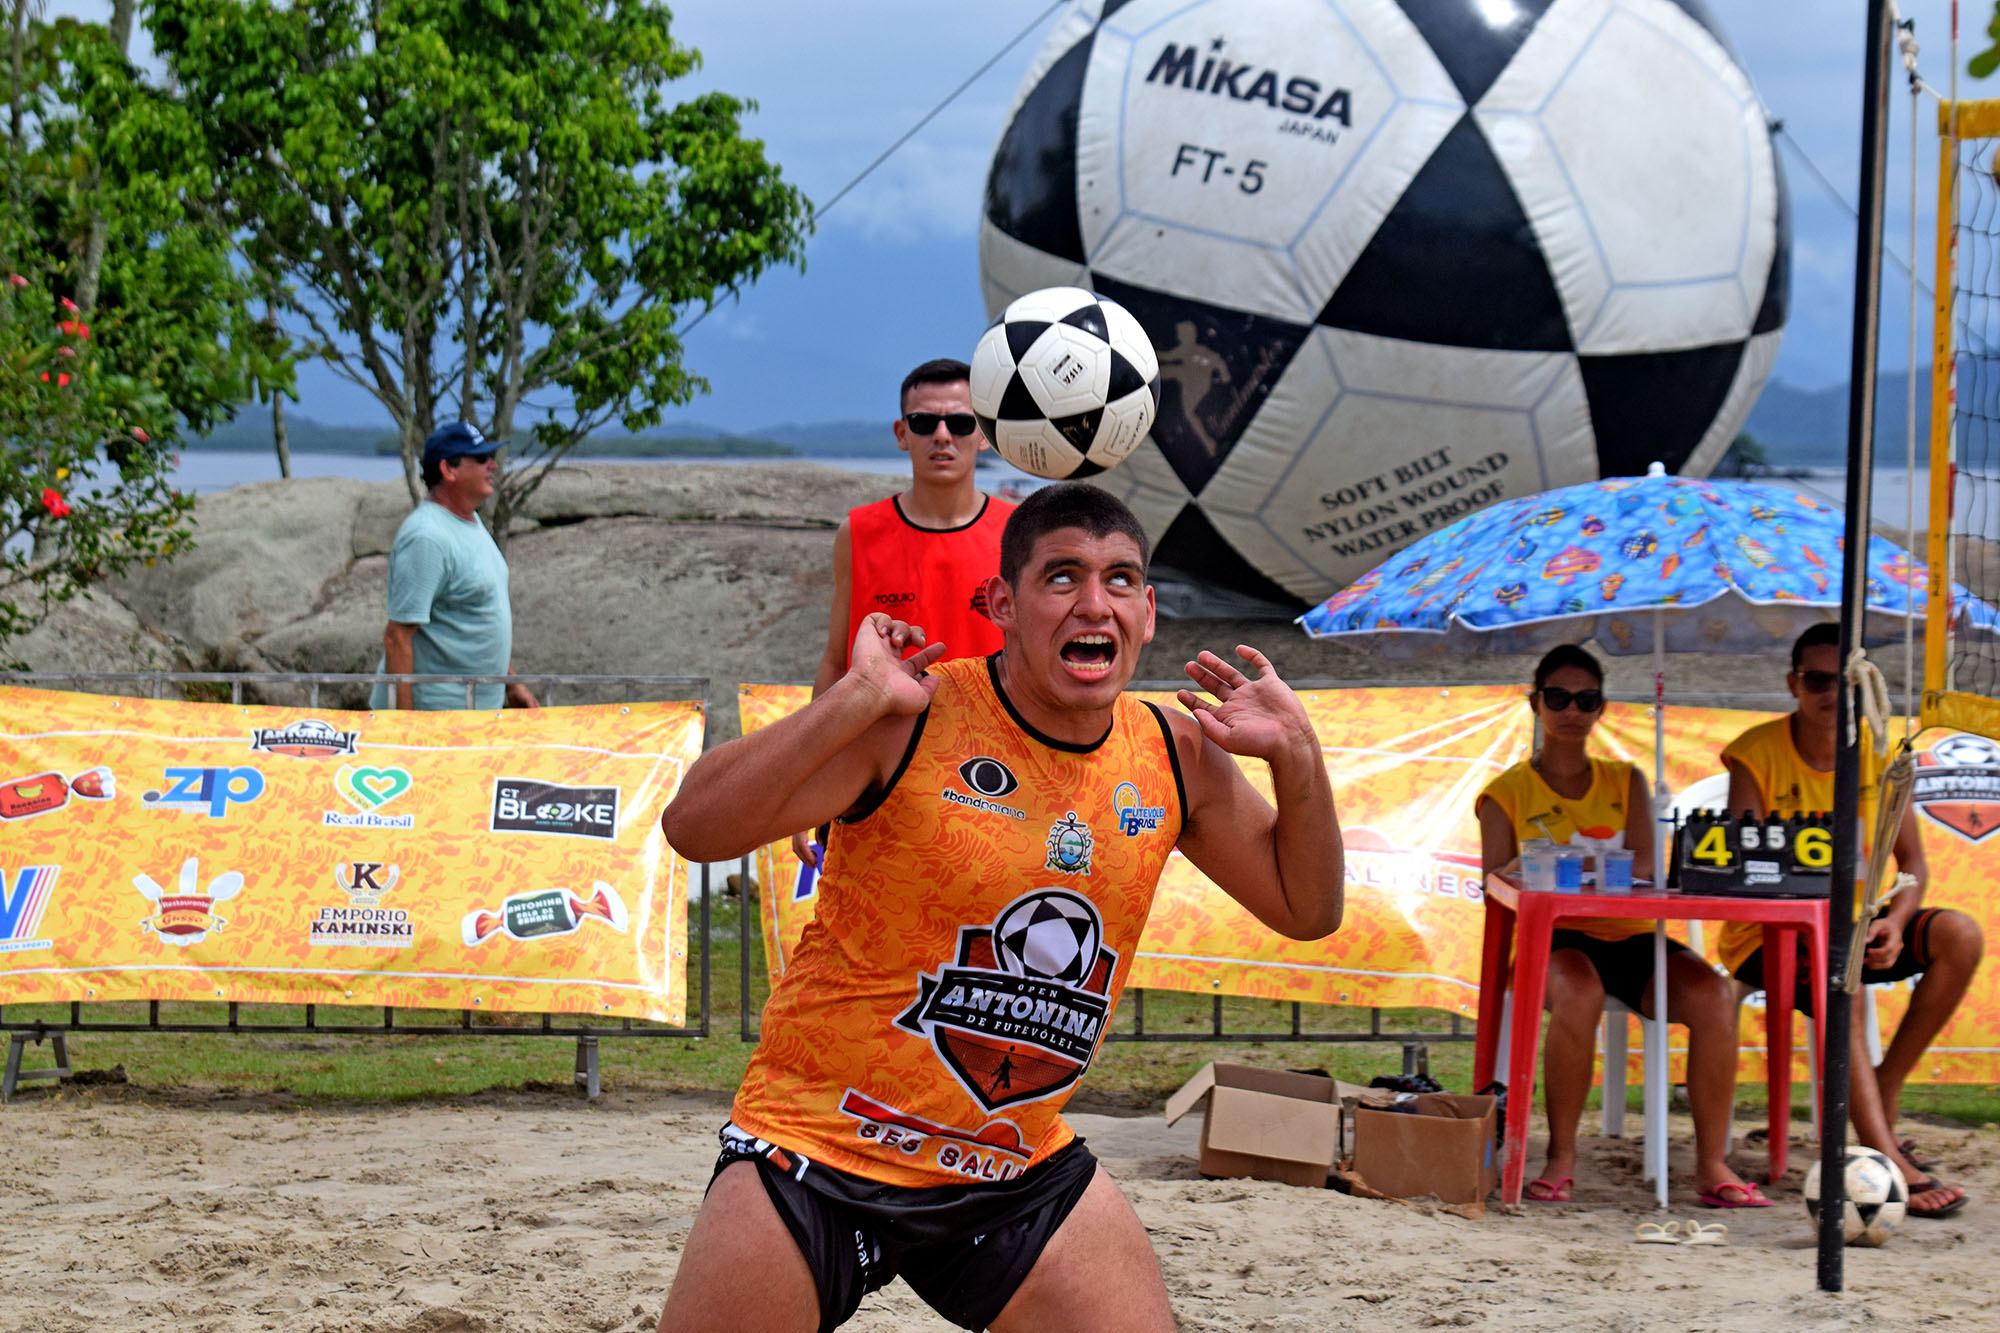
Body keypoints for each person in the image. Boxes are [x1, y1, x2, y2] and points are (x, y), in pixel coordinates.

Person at [658, 483, 1342, 1333]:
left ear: (1150, 611)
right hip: (816, 1149)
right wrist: (853, 697)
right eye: (1062, 576)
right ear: (1001, 604)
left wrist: (1299, 758)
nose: (1095, 602)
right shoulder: (912, 715)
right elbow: (693, 827)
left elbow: (1307, 908)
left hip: (1008, 1167)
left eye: (1120, 579)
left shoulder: (1176, 751)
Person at [1476, 644, 1760, 1207]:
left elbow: (1648, 869)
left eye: (1586, 699)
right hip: (1555, 941)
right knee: (1579, 992)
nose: (1571, 710)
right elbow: (1497, 880)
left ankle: (1711, 1166)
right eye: (1557, 697)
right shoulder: (1504, 793)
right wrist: (1573, 865)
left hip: (1630, 938)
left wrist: (1568, 862)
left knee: (1712, 995)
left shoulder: (1625, 780)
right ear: (1535, 703)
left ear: (1602, 708)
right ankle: (1560, 1157)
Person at [1718, 622, 1981, 1219]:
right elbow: (1747, 869)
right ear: (1793, 684)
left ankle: (1884, 1090)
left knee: (1959, 935)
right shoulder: (1754, 753)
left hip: (1857, 925)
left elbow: (1911, 864)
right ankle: (1887, 1158)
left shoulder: (1882, 753)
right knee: (1845, 977)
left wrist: (1895, 920)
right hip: (1771, 932)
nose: (1832, 694)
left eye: (1845, 682)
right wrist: (1836, 930)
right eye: (1816, 680)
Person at [789, 358, 1015, 867]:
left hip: (999, 775)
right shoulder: (860, 533)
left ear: (983, 434)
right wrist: (808, 781)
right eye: (923, 422)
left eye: (959, 422)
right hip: (879, 778)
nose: (942, 435)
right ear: (900, 432)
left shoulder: (1020, 534)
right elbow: (835, 663)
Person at [370, 421, 538, 711]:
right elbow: (397, 637)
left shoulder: (469, 521)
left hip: (476, 713)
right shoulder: (427, 537)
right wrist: (405, 729)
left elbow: (473, 617)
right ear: (449, 470)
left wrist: (512, 683)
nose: (493, 466)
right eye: (482, 459)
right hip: (437, 719)